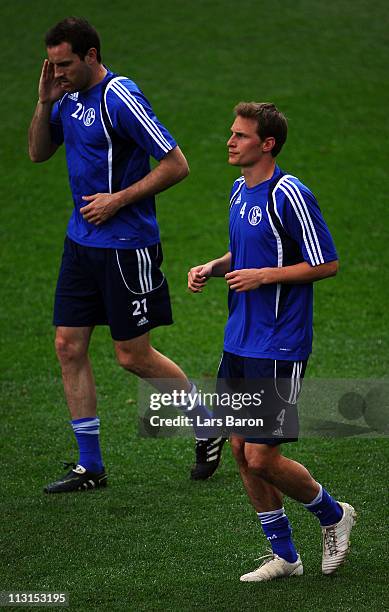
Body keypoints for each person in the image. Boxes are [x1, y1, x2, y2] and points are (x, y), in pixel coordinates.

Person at [28, 17, 223, 493]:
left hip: (125, 246)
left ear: (91, 56)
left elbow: (177, 164)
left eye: (66, 64)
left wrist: (118, 199)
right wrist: (43, 102)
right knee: (67, 346)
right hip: (81, 245)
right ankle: (90, 466)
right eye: (52, 65)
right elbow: (37, 153)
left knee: (132, 357)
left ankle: (207, 420)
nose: (58, 72)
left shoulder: (120, 96)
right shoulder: (65, 97)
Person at [188, 102, 356, 581]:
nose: (230, 141)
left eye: (240, 135)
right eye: (231, 133)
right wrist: (215, 267)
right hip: (239, 338)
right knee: (241, 451)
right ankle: (285, 555)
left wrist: (265, 276)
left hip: (279, 344)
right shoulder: (240, 189)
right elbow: (248, 248)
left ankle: (333, 515)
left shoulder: (290, 194)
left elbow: (325, 263)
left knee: (263, 455)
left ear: (267, 144)